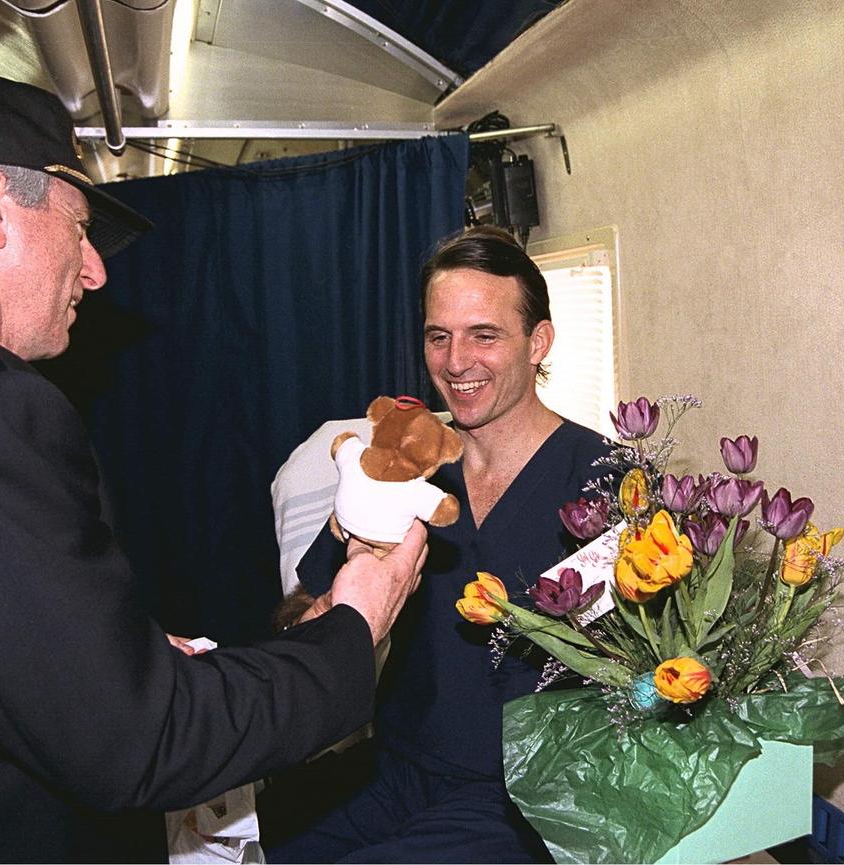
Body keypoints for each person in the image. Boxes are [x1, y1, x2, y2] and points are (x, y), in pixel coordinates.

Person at [0, 76, 427, 863]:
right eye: (79, 229)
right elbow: (145, 743)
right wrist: (356, 622)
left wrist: (98, 653)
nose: (96, 272)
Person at [260, 226, 611, 863]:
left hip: (526, 795)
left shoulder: (602, 481)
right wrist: (346, 546)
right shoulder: (403, 467)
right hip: (397, 767)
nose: (455, 362)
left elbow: (642, 672)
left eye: (485, 334)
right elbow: (303, 615)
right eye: (438, 336)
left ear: (539, 342)